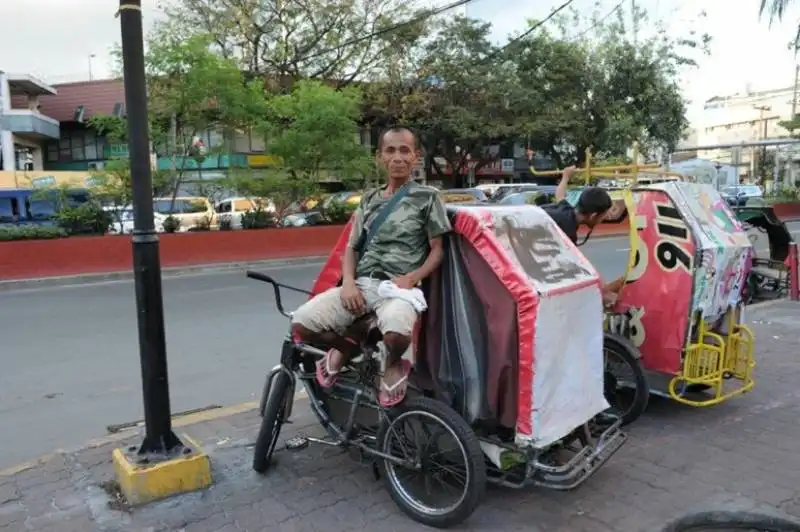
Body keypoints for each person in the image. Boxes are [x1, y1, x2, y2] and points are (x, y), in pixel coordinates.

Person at [291, 126, 451, 407]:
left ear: (416, 157)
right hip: (362, 285)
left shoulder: (428, 197)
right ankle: (348, 348)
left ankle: (390, 364)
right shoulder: (369, 199)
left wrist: (412, 278)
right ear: (379, 157)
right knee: (302, 324)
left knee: (398, 332)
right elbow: (351, 248)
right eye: (390, 150)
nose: (398, 157)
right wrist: (349, 283)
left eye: (405, 150)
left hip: (398, 289)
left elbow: (438, 251)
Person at [540, 165, 622, 306]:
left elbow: (560, 195)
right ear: (594, 215)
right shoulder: (566, 230)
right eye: (603, 216)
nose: (604, 219)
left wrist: (566, 176)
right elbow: (577, 268)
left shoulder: (566, 209)